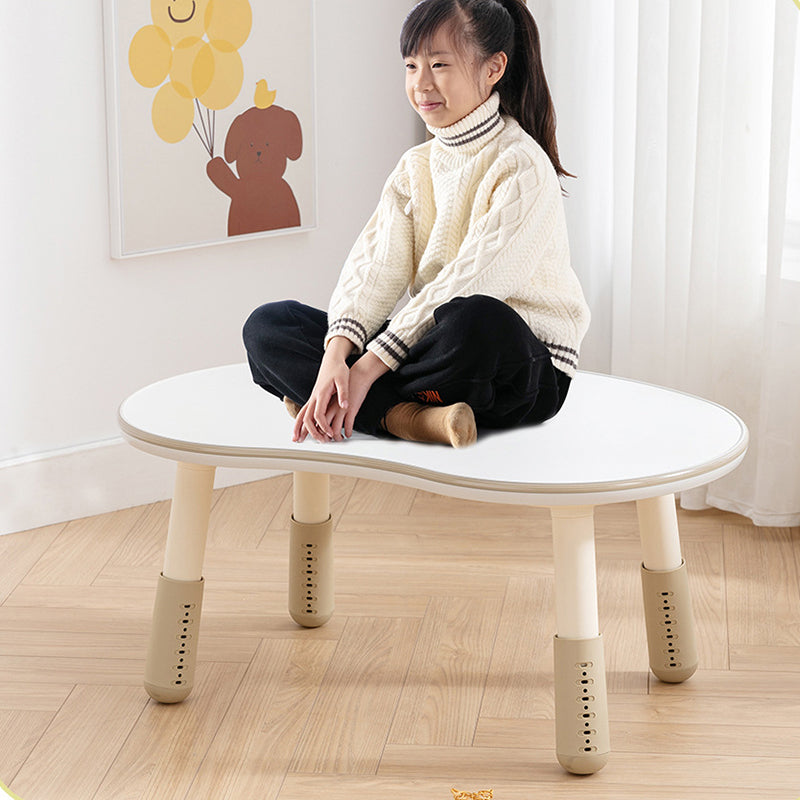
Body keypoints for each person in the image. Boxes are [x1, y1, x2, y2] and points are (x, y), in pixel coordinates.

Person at [243, 0, 590, 448]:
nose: (421, 83)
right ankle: (408, 417)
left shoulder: (521, 164)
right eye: (411, 66)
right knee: (269, 326)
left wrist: (365, 368)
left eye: (439, 65)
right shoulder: (415, 166)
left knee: (474, 320)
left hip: (519, 366)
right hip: (432, 355)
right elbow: (375, 269)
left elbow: (473, 281)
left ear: (494, 68)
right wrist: (335, 356)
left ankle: (346, 399)